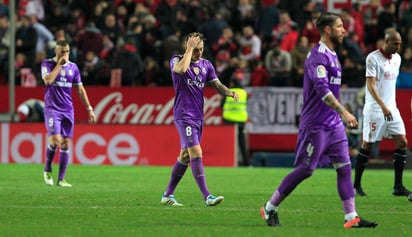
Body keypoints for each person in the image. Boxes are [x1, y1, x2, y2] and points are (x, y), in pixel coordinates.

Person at [259, 12, 378, 228]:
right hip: (316, 124)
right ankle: (270, 208)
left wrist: (338, 115)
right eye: (340, 26)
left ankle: (351, 217)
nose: (344, 30)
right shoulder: (317, 57)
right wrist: (344, 111)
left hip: (333, 125)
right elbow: (322, 90)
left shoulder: (333, 55)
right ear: (328, 30)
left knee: (344, 167)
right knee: (307, 169)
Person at [161, 32, 239, 206]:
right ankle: (207, 197)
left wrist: (229, 92)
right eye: (196, 50)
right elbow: (180, 70)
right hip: (184, 115)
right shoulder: (176, 60)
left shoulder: (206, 65)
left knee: (185, 156)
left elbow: (217, 85)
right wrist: (189, 49)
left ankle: (167, 195)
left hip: (198, 117)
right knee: (196, 152)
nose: (199, 53)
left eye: (201, 49)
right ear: (187, 47)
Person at [353, 30, 411, 197]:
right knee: (367, 145)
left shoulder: (397, 59)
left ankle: (398, 186)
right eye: (395, 44)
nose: (398, 47)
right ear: (387, 42)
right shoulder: (373, 58)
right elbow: (371, 85)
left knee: (402, 142)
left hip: (392, 108)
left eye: (400, 44)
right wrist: (382, 105)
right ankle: (356, 185)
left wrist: (388, 106)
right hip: (375, 109)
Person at [41, 40, 96, 187]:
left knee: (65, 143)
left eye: (66, 52)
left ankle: (61, 179)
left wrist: (89, 108)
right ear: (56, 52)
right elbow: (48, 81)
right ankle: (47, 170)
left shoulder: (73, 68)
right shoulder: (47, 64)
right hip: (52, 109)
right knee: (56, 140)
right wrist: (59, 64)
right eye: (61, 52)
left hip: (68, 110)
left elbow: (80, 90)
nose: (64, 54)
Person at [222, 79, 249, 166]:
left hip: (229, 121)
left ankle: (228, 161)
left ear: (232, 83)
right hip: (241, 120)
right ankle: (246, 163)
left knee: (229, 143)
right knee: (242, 142)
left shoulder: (228, 92)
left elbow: (221, 105)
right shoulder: (244, 93)